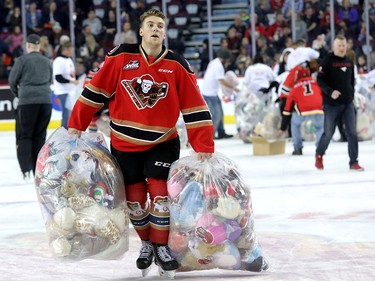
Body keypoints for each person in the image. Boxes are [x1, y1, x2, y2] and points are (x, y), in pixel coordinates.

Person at [67, 9, 214, 278]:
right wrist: (76, 124)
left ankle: (161, 247)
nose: (156, 29)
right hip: (124, 143)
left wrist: (203, 144)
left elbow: (194, 106)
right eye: (151, 25)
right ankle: (146, 244)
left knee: (159, 195)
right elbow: (95, 90)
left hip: (163, 141)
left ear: (164, 32)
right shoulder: (121, 57)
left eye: (160, 25)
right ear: (141, 31)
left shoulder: (177, 64)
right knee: (135, 201)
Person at [315, 35, 364, 171]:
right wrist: (330, 92)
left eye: (344, 45)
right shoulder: (327, 60)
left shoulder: (349, 61)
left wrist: (352, 95)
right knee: (328, 133)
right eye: (339, 46)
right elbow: (320, 80)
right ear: (334, 47)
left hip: (348, 103)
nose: (342, 48)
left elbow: (352, 81)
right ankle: (319, 154)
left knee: (352, 133)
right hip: (331, 104)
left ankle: (353, 162)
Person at [8, 34, 53, 181]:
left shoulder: (22, 60)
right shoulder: (47, 61)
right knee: (40, 135)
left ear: (27, 46)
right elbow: (49, 79)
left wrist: (20, 94)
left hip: (27, 101)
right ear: (39, 46)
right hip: (46, 100)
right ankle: (37, 169)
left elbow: (12, 80)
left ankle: (26, 169)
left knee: (24, 135)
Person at [277, 66, 324, 155]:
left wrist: (283, 128)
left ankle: (298, 148)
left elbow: (287, 109)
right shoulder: (317, 83)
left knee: (295, 124)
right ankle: (320, 148)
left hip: (302, 111)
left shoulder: (294, 88)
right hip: (318, 109)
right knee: (320, 127)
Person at [201, 49, 236, 139]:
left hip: (211, 92)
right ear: (224, 59)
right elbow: (221, 80)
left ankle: (221, 132)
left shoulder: (214, 62)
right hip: (210, 94)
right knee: (217, 114)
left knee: (221, 113)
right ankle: (211, 135)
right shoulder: (218, 66)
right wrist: (233, 87)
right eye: (227, 60)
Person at [52, 41, 78, 129]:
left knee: (70, 115)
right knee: (66, 115)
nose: (72, 51)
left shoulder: (69, 59)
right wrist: (71, 82)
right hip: (63, 92)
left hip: (70, 91)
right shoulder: (58, 61)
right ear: (65, 50)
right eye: (71, 49)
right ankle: (63, 135)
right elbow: (58, 77)